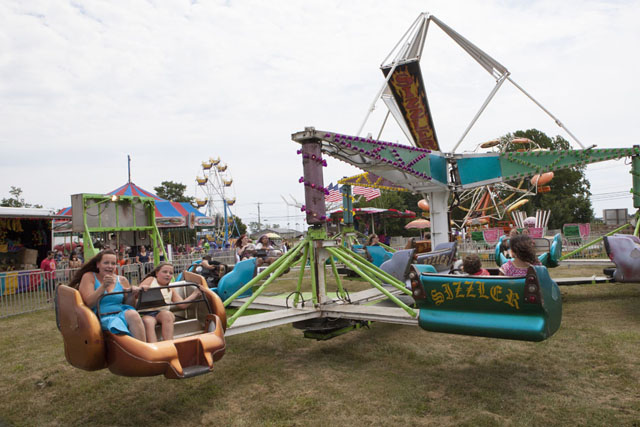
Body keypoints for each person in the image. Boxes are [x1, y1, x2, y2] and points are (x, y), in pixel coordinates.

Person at [69, 249, 146, 341]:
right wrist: (103, 287)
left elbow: (130, 305)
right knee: (116, 324)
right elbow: (89, 303)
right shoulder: (89, 276)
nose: (110, 266)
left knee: (133, 314)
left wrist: (133, 295)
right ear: (98, 264)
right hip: (100, 317)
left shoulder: (122, 280)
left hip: (121, 313)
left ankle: (142, 349)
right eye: (106, 263)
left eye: (113, 264)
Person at [138, 263, 206, 342]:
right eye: (165, 272)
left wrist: (195, 294)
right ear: (157, 273)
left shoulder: (171, 289)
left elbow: (182, 305)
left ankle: (169, 344)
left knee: (167, 315)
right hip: (147, 313)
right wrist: (142, 289)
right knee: (148, 322)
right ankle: (154, 347)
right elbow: (138, 292)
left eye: (171, 273)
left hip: (161, 313)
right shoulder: (151, 280)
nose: (168, 275)